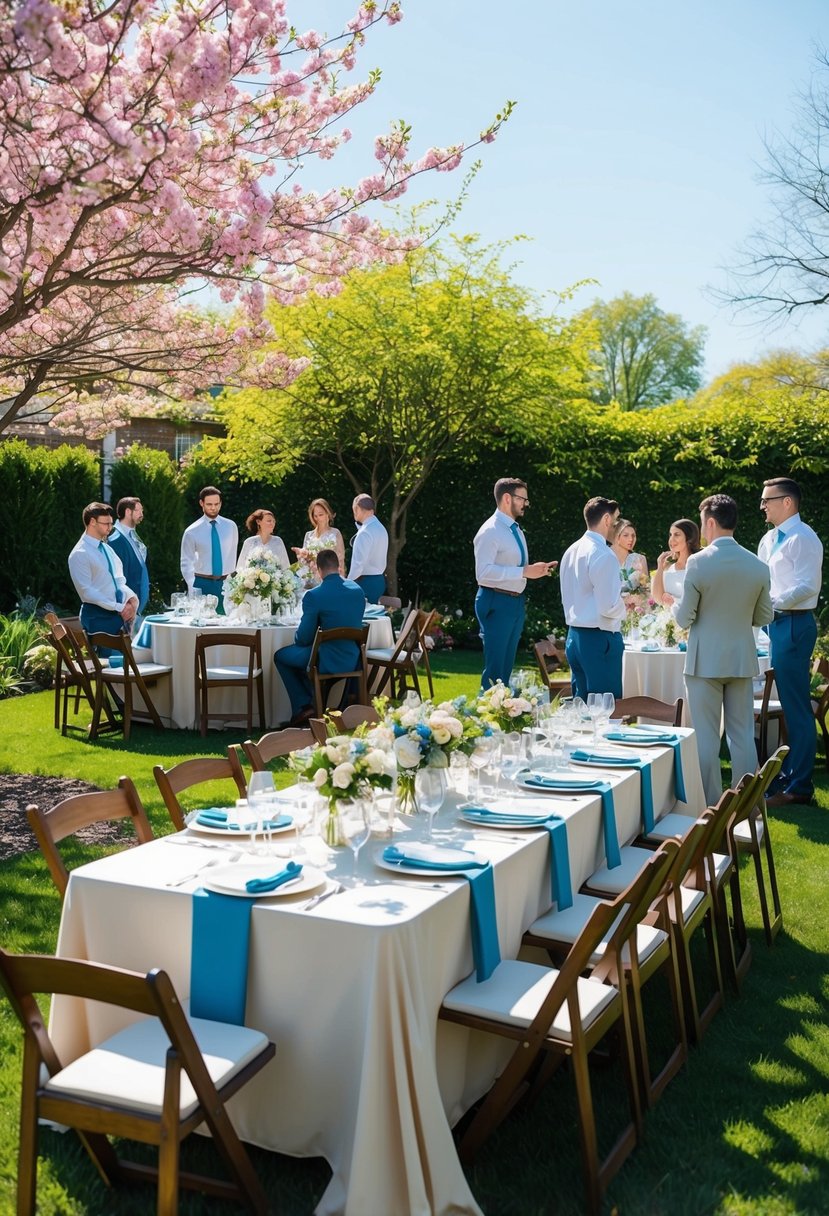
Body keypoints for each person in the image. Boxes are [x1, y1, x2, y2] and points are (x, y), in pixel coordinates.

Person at [675, 494, 773, 806]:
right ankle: (746, 806)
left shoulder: (698, 562)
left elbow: (683, 617)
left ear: (712, 522)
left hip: (704, 661)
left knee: (706, 738)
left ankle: (710, 810)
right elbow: (765, 616)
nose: (702, 529)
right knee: (742, 735)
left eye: (703, 522)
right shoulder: (758, 565)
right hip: (742, 659)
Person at [757, 477, 823, 807]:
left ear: (788, 502)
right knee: (787, 704)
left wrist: (771, 603)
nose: (763, 506)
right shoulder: (768, 539)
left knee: (796, 708)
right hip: (774, 625)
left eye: (768, 500)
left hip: (794, 624)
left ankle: (800, 787)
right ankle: (790, 774)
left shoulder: (804, 538)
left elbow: (808, 587)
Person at [473, 477, 557, 690]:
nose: (526, 504)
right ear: (507, 498)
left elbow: (518, 568)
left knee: (505, 672)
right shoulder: (490, 530)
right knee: (494, 673)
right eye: (522, 499)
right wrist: (523, 571)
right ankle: (485, 719)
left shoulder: (515, 529)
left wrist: (533, 571)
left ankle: (502, 717)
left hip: (514, 603)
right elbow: (482, 573)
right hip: (496, 601)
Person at [274, 547, 366, 724]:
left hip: (325, 659)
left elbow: (303, 639)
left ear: (319, 569)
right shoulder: (357, 590)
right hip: (354, 657)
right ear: (338, 566)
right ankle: (311, 702)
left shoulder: (315, 596)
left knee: (281, 656)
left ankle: (304, 706)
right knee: (303, 658)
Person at [559, 496, 625, 700]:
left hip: (574, 637)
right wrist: (626, 607)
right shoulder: (603, 554)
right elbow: (609, 606)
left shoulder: (571, 550)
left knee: (581, 707)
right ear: (606, 519)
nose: (617, 525)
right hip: (599, 638)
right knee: (607, 708)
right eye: (616, 520)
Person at [68, 503, 138, 647]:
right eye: (106, 523)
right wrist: (118, 607)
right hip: (97, 618)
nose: (110, 527)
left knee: (125, 663)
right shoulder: (79, 554)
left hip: (117, 615)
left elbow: (118, 580)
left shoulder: (106, 548)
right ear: (92, 522)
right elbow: (86, 592)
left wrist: (130, 601)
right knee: (107, 666)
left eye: (111, 523)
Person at [180, 485, 238, 614]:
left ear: (221, 503)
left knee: (229, 625)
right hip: (202, 583)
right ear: (201, 503)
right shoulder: (191, 531)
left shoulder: (231, 526)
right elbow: (186, 562)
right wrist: (193, 586)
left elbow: (232, 555)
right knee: (203, 626)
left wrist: (233, 582)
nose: (213, 508)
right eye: (209, 504)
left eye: (217, 504)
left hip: (226, 584)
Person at [107, 497, 150, 629]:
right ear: (127, 512)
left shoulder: (131, 534)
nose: (141, 514)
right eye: (138, 511)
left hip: (136, 607)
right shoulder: (116, 539)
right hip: (126, 609)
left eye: (142, 510)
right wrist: (126, 603)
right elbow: (117, 576)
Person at [291, 498, 346, 581]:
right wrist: (302, 555)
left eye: (321, 515)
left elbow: (340, 559)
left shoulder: (335, 533)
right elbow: (303, 561)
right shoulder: (309, 535)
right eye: (315, 515)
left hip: (330, 577)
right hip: (311, 578)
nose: (318, 518)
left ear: (328, 513)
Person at [348, 494, 388, 602]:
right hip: (379, 580)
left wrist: (348, 584)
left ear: (358, 509)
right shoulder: (380, 527)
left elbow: (358, 564)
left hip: (365, 582)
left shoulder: (365, 532)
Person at [652, 519, 700, 606]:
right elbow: (658, 599)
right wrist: (660, 566)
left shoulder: (698, 567)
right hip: (666, 617)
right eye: (670, 535)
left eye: (677, 535)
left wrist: (674, 601)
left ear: (689, 538)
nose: (671, 539)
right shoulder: (667, 568)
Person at [609, 518, 649, 600]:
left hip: (634, 608)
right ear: (616, 536)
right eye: (626, 535)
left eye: (633, 535)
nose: (631, 539)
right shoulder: (605, 558)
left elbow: (646, 589)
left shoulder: (640, 559)